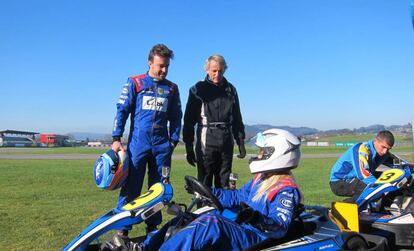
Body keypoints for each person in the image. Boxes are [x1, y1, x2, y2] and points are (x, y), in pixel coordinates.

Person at [137, 128, 302, 251]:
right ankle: (146, 247)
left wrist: (255, 218)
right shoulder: (262, 178)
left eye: (262, 152)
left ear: (277, 154)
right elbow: (237, 196)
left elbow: (279, 227)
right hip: (243, 229)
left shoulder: (285, 189)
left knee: (211, 223)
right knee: (186, 218)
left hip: (256, 237)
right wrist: (207, 191)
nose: (258, 156)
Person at [111, 44, 182, 235]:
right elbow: (122, 110)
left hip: (162, 146)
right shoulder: (135, 82)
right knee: (131, 187)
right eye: (160, 65)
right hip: (137, 144)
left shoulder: (172, 89)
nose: (164, 70)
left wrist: (173, 141)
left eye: (166, 66)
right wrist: (116, 137)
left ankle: (153, 228)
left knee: (158, 189)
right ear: (150, 63)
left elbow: (176, 117)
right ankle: (122, 230)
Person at [183, 54, 246, 189]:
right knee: (204, 182)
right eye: (214, 71)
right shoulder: (197, 89)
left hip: (226, 139)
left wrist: (240, 142)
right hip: (207, 138)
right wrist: (189, 147)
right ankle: (203, 210)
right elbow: (188, 120)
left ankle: (223, 209)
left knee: (224, 182)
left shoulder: (231, 90)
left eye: (220, 71)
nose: (217, 74)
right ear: (207, 69)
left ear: (224, 70)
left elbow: (237, 117)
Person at [329, 130, 394, 202]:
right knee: (374, 191)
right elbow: (363, 175)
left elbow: (397, 163)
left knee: (390, 184)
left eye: (388, 149)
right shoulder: (361, 149)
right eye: (383, 147)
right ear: (375, 141)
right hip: (339, 182)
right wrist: (381, 187)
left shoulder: (385, 154)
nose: (385, 151)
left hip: (355, 179)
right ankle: (341, 208)